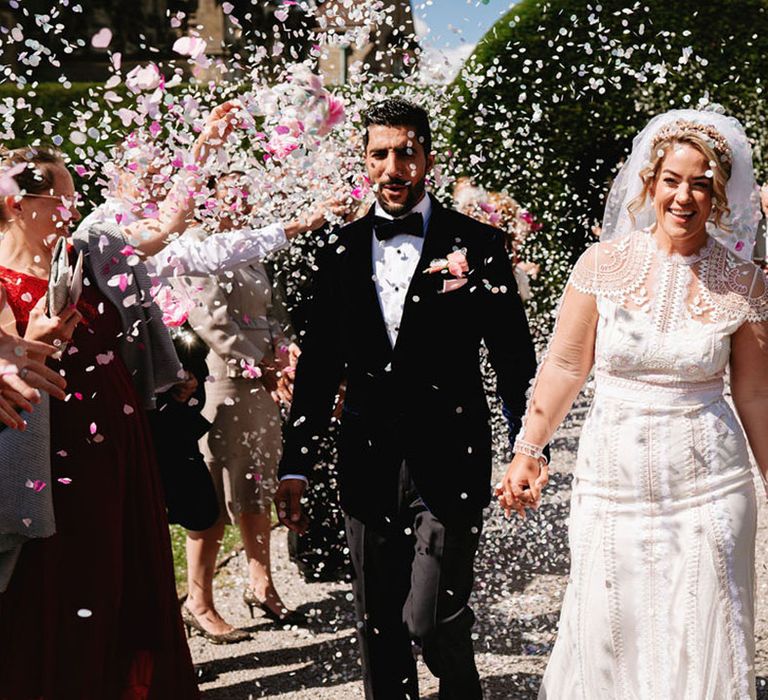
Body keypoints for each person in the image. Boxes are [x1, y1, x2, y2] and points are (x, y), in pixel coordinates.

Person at [498, 109, 768, 698]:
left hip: (711, 485)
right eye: (673, 179)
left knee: (704, 624)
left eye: (702, 184)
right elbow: (567, 366)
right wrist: (528, 451)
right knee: (609, 625)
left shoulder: (745, 283)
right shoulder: (601, 266)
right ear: (651, 183)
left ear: (721, 196)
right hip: (611, 482)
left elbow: (753, 392)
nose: (684, 196)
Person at [276, 97, 538, 699]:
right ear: (364, 161)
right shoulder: (337, 251)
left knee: (430, 616)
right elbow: (317, 370)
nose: (393, 167)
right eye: (380, 154)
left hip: (451, 454)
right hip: (366, 459)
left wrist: (528, 446)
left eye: (406, 153)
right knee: (377, 624)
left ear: (428, 158)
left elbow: (512, 359)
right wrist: (296, 463)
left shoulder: (478, 244)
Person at [0, 102, 237, 698]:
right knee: (60, 570)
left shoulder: (89, 249)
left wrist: (203, 150)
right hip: (44, 449)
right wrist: (31, 343)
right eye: (60, 197)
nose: (72, 208)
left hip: (117, 435)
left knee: (118, 564)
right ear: (16, 203)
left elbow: (164, 228)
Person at [181, 173, 313, 643]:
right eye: (229, 189)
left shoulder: (247, 247)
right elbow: (211, 321)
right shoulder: (196, 246)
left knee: (257, 484)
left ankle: (261, 582)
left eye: (245, 189)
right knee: (214, 496)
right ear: (208, 194)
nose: (241, 198)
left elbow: (273, 312)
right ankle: (200, 600)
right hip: (223, 380)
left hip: (262, 383)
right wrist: (265, 365)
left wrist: (287, 348)